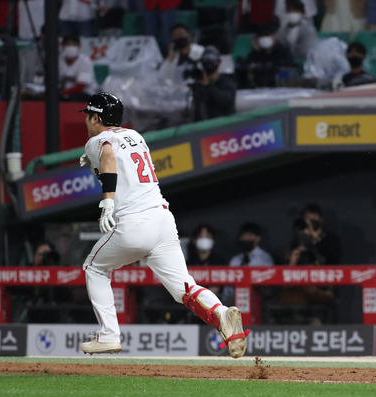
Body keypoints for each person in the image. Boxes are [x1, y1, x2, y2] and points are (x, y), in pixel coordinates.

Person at [77, 92, 248, 358]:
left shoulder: (97, 141)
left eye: (89, 116)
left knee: (94, 268)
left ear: (96, 117)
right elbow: (120, 163)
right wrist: (96, 165)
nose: (87, 121)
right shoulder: (137, 137)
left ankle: (108, 335)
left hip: (133, 222)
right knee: (185, 288)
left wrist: (107, 200)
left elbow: (109, 156)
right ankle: (223, 314)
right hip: (163, 220)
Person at [191, 45, 237, 121]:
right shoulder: (199, 84)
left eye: (212, 61)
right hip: (204, 127)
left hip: (224, 125)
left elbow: (225, 100)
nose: (208, 64)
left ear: (218, 62)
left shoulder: (227, 81)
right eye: (206, 61)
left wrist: (208, 86)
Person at [243, 20, 295, 88]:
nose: (265, 38)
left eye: (267, 35)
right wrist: (255, 51)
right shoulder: (257, 53)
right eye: (262, 36)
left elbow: (287, 70)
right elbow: (248, 68)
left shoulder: (282, 52)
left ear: (274, 36)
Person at [59, 35, 98, 101]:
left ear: (79, 47)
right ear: (63, 46)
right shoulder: (59, 60)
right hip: (66, 93)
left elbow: (80, 87)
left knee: (75, 97)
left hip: (85, 94)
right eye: (68, 45)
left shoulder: (85, 61)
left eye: (74, 45)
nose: (71, 47)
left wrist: (61, 92)